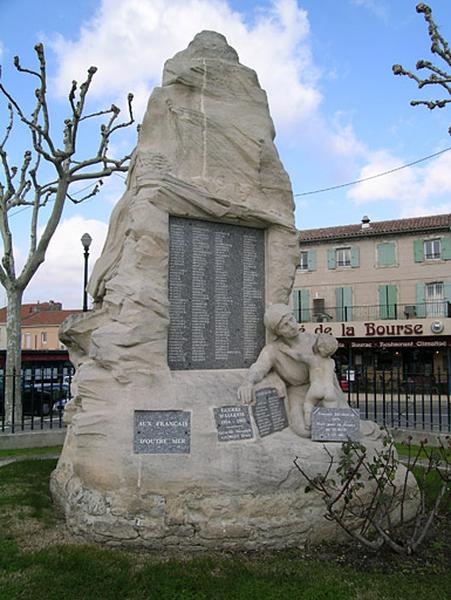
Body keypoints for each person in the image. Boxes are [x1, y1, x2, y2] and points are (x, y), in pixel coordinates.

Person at [237, 304, 346, 436]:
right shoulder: (273, 350)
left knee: (342, 422)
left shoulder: (314, 340)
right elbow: (259, 367)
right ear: (278, 331)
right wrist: (248, 382)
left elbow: (328, 371)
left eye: (291, 319)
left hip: (322, 387)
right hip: (298, 392)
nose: (292, 326)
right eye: (285, 325)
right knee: (304, 430)